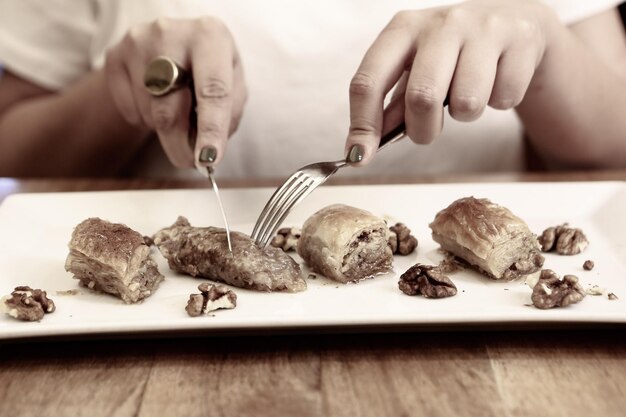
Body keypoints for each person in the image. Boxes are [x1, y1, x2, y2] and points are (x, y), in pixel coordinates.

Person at [0, 0, 625, 179]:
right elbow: (12, 147)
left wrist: (544, 46)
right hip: (144, 342)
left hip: (508, 329)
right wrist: (122, 97)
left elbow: (616, 150)